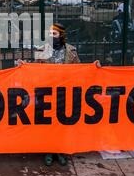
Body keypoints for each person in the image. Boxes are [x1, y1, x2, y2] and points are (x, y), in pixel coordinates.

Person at [17, 23, 101, 166]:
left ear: (62, 35)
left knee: (62, 123)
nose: (51, 37)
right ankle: (49, 151)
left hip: (64, 92)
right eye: (50, 34)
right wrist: (23, 65)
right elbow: (35, 68)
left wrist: (93, 67)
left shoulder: (71, 51)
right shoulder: (43, 50)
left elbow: (79, 69)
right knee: (48, 123)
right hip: (46, 91)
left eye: (54, 34)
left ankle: (60, 151)